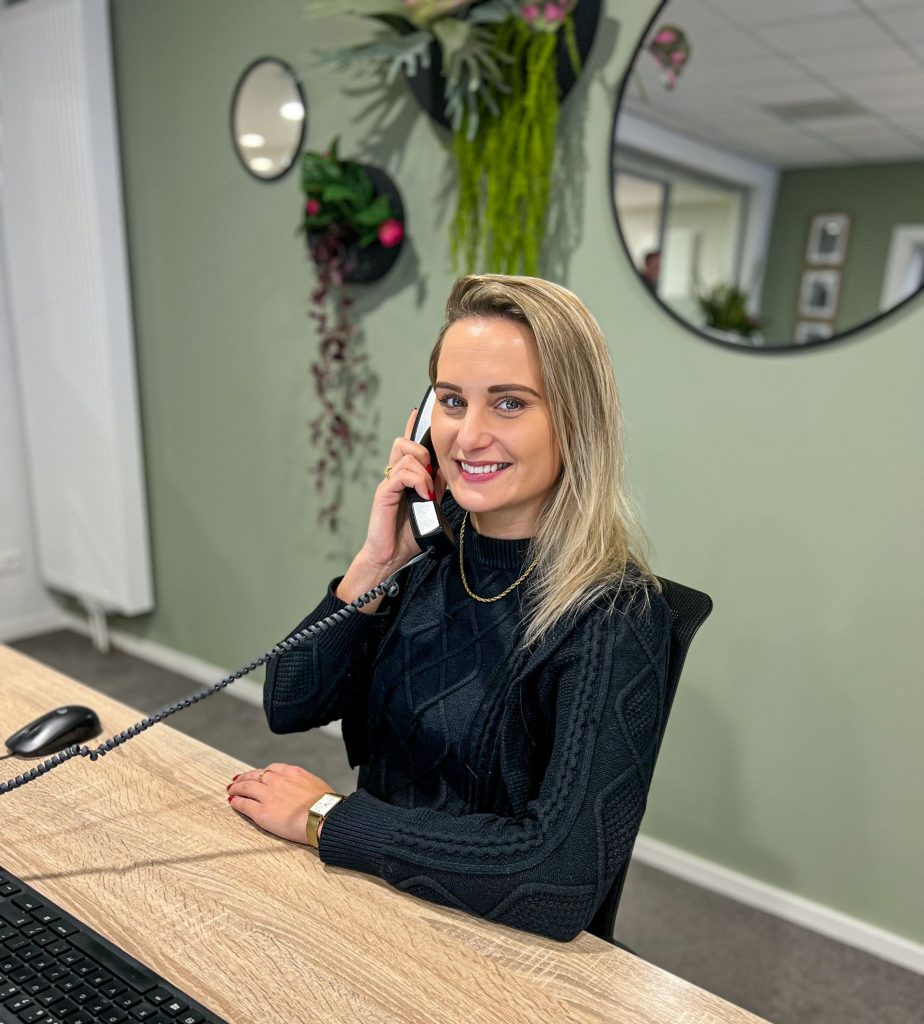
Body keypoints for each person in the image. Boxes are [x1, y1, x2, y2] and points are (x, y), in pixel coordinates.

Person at [227, 274, 671, 942]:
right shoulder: (431, 555)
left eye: (510, 403)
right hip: (369, 895)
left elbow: (558, 881)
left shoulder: (615, 616)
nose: (468, 436)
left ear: (576, 422)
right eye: (453, 401)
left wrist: (327, 818)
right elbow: (289, 703)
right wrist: (375, 565)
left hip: (488, 941)